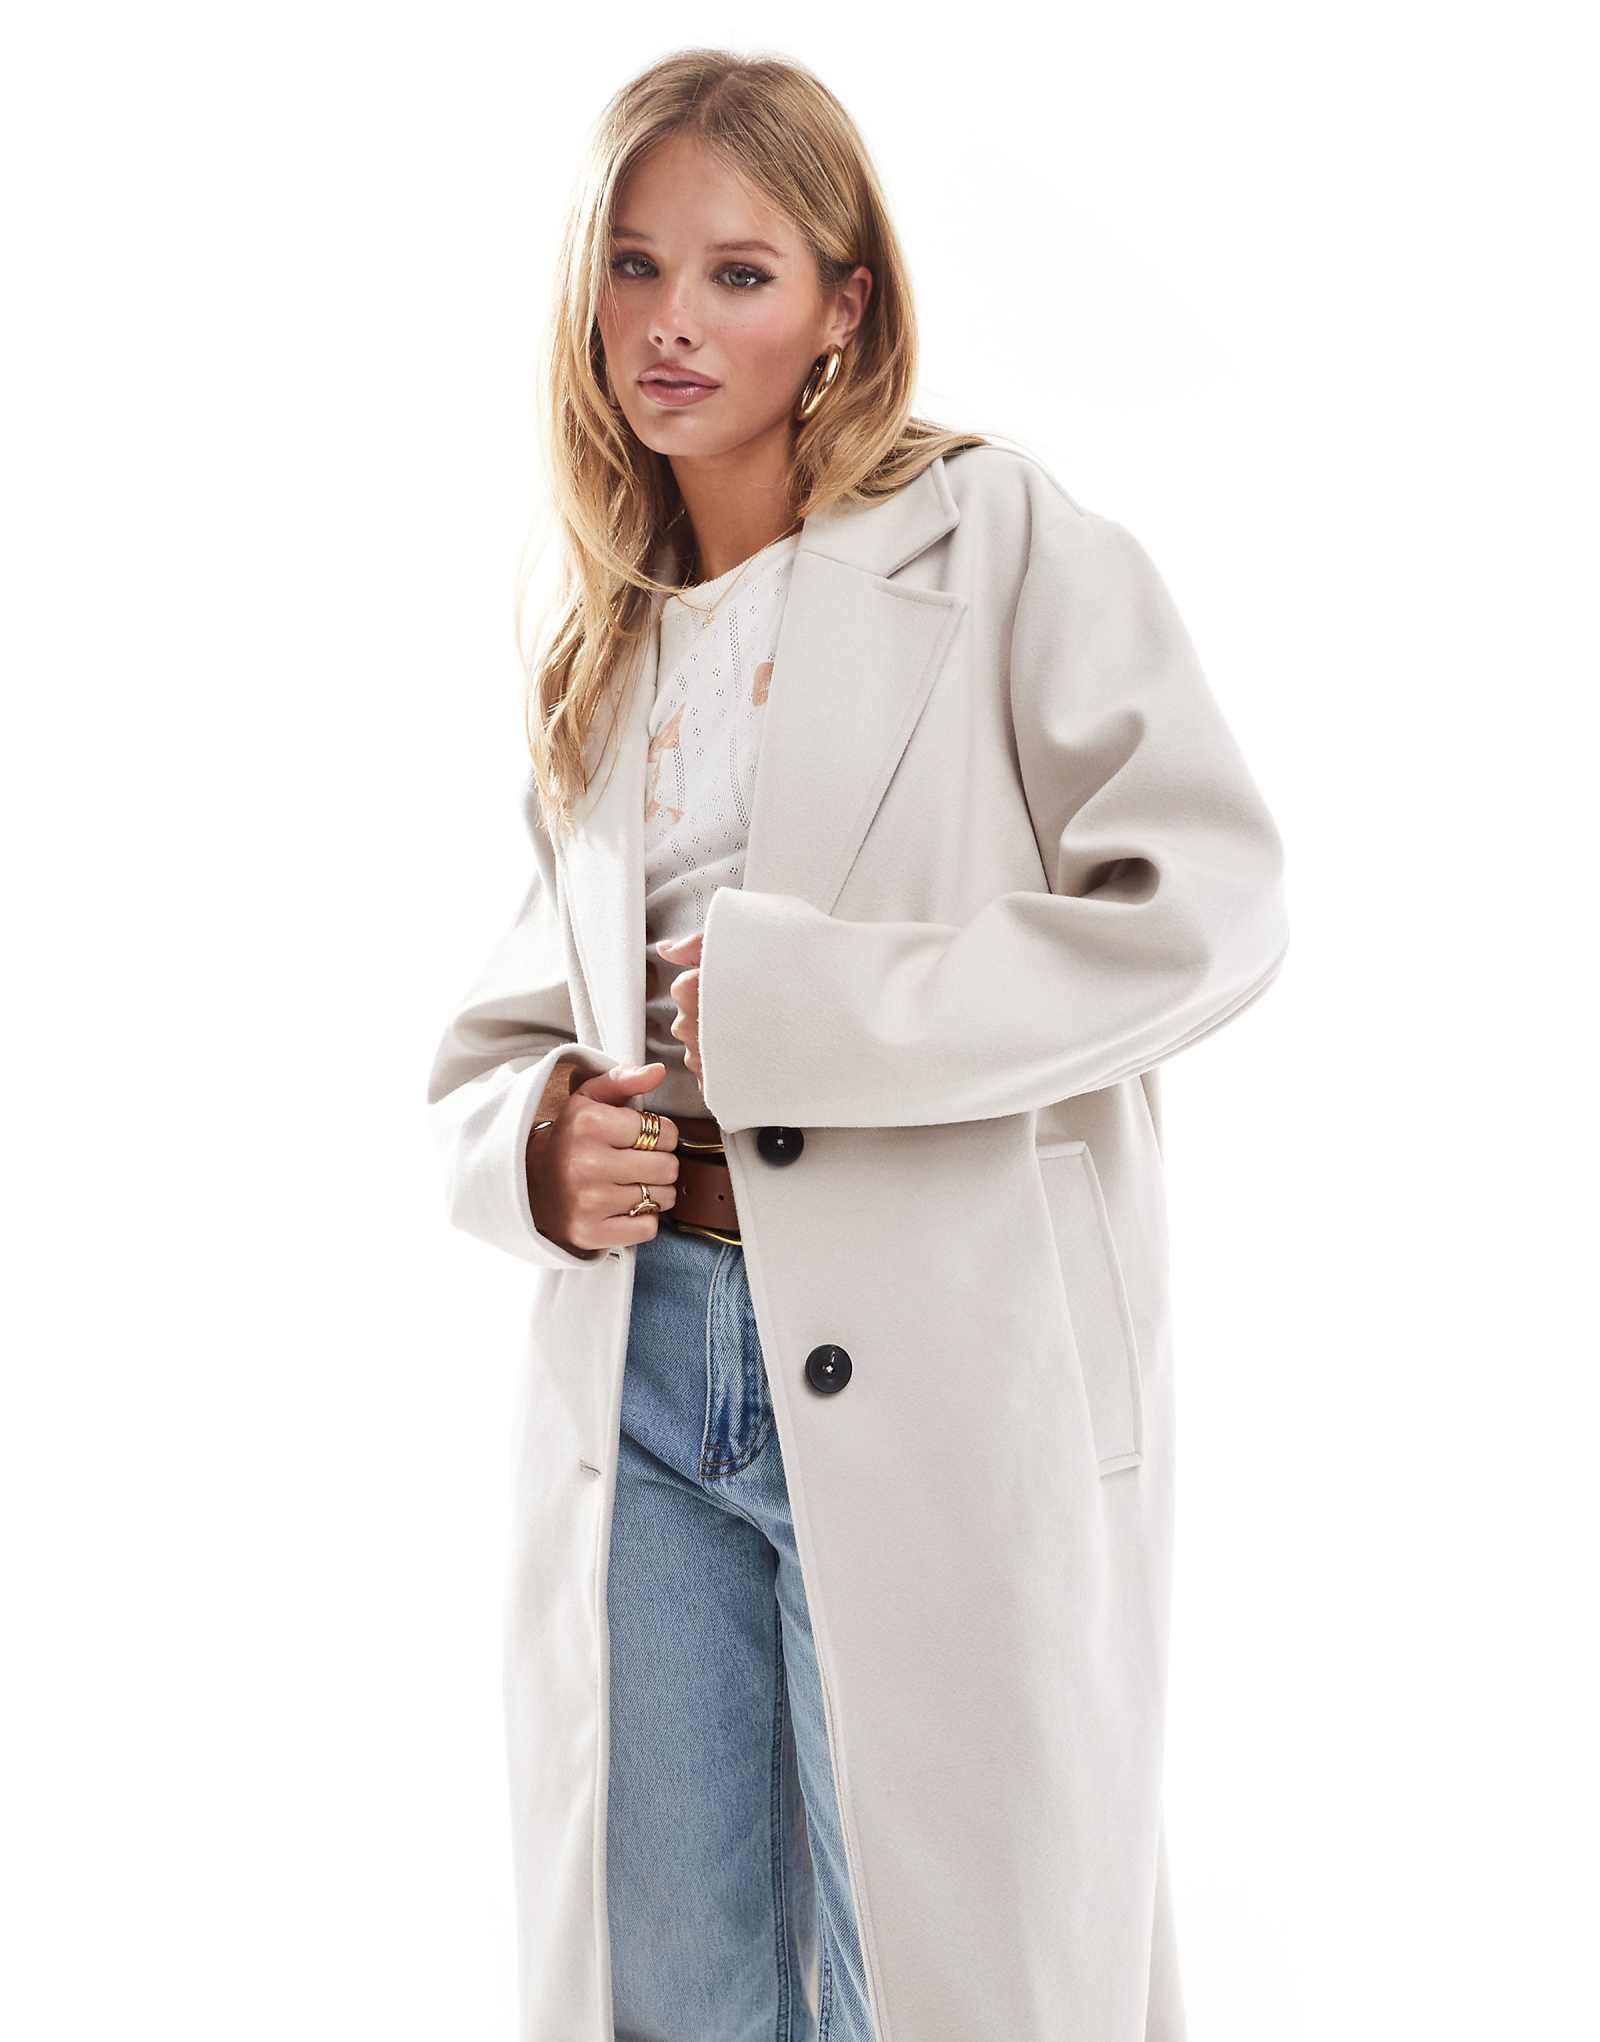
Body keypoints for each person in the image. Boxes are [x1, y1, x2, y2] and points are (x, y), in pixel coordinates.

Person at [426, 47, 1290, 2042]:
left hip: (935, 1358)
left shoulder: (996, 543)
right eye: (633, 265)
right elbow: (502, 1033)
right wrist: (536, 1143)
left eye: (737, 273)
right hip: (647, 1368)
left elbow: (1207, 904)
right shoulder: (605, 641)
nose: (670, 321)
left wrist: (818, 1017)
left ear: (844, 304)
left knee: (932, 1980)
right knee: (676, 1985)